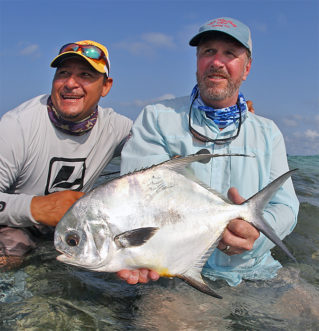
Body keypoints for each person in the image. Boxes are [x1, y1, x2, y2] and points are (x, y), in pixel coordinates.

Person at [117, 17, 299, 286]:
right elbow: (140, 202)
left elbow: (287, 207)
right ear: (197, 62)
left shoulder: (268, 132)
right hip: (180, 272)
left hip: (259, 267)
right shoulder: (156, 119)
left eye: (229, 53)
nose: (217, 62)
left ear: (246, 68)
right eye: (208, 52)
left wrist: (254, 235)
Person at [0, 40, 132, 269]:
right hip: (14, 227)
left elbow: (160, 152)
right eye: (63, 74)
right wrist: (36, 207)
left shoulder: (118, 128)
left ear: (106, 86)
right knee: (10, 252)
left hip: (71, 232)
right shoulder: (15, 126)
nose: (71, 83)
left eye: (85, 75)